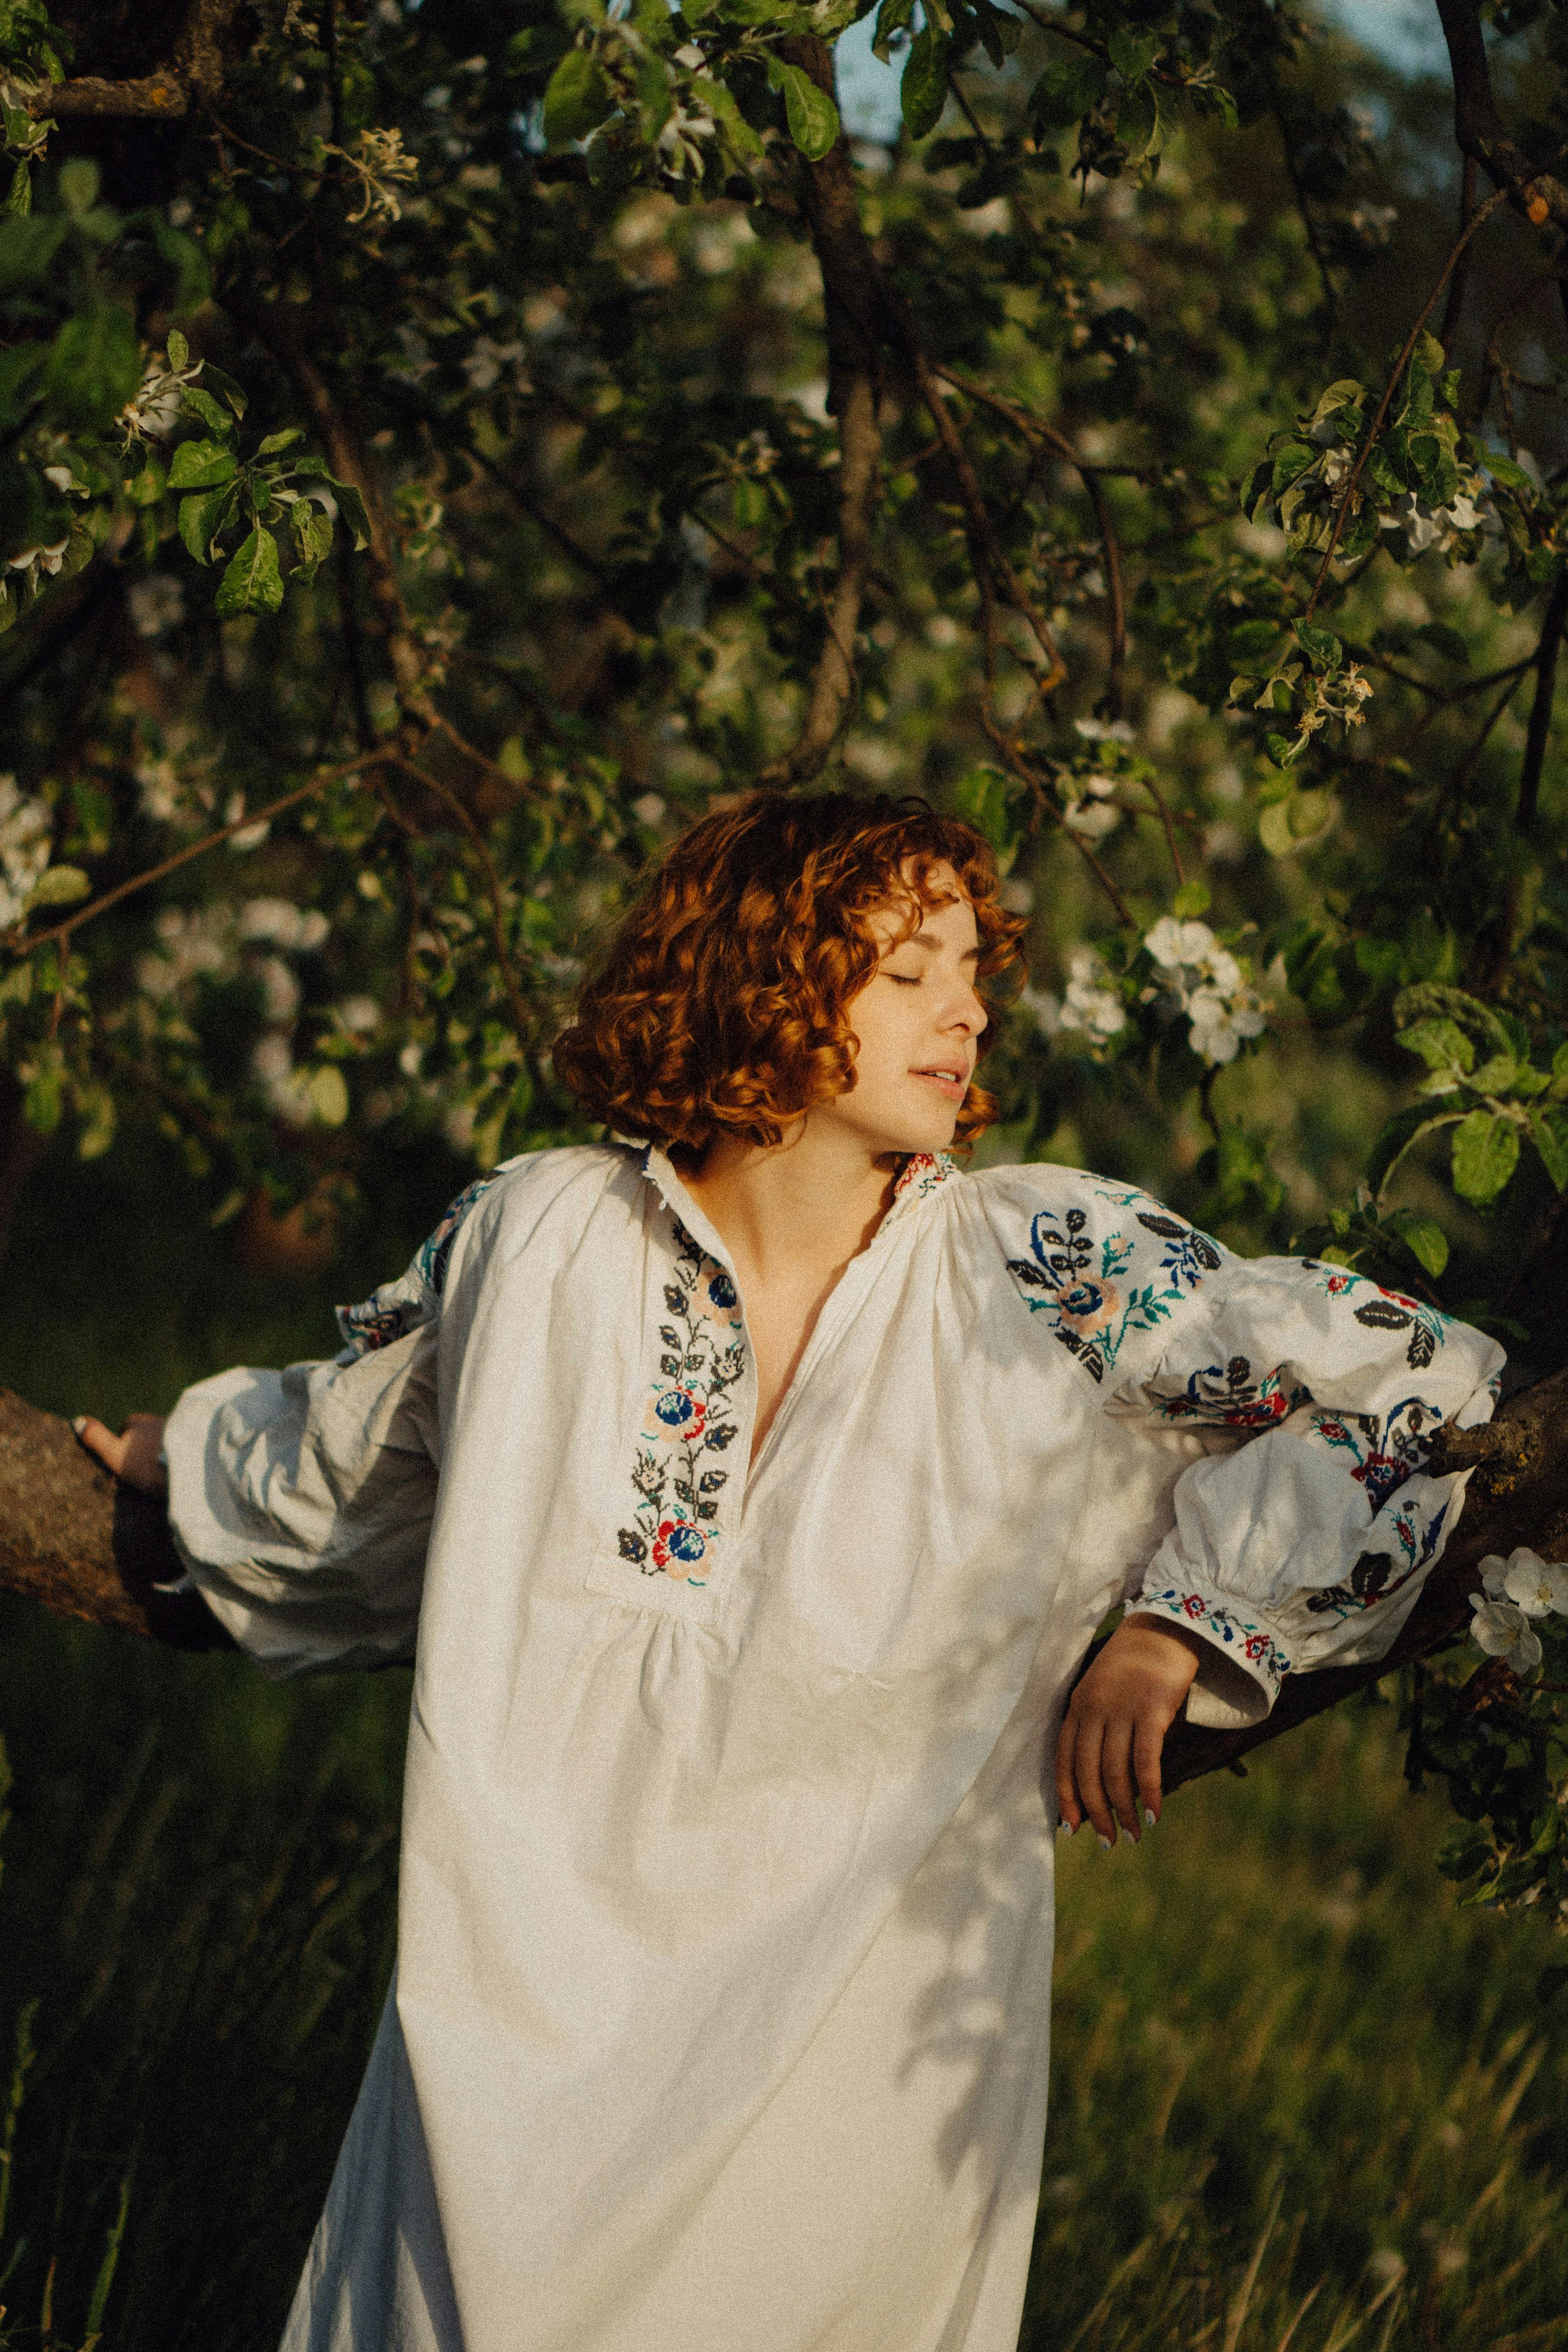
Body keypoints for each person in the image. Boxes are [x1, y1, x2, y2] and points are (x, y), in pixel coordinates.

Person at [78, 791, 1501, 2352]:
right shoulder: (541, 1233)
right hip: (509, 2030)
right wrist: (183, 1458)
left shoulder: (1048, 1267)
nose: (965, 1008)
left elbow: (1407, 1381)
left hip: (855, 2073)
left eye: (971, 967)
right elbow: (349, 1462)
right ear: (758, 971)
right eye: (907, 968)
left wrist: (1185, 1623)